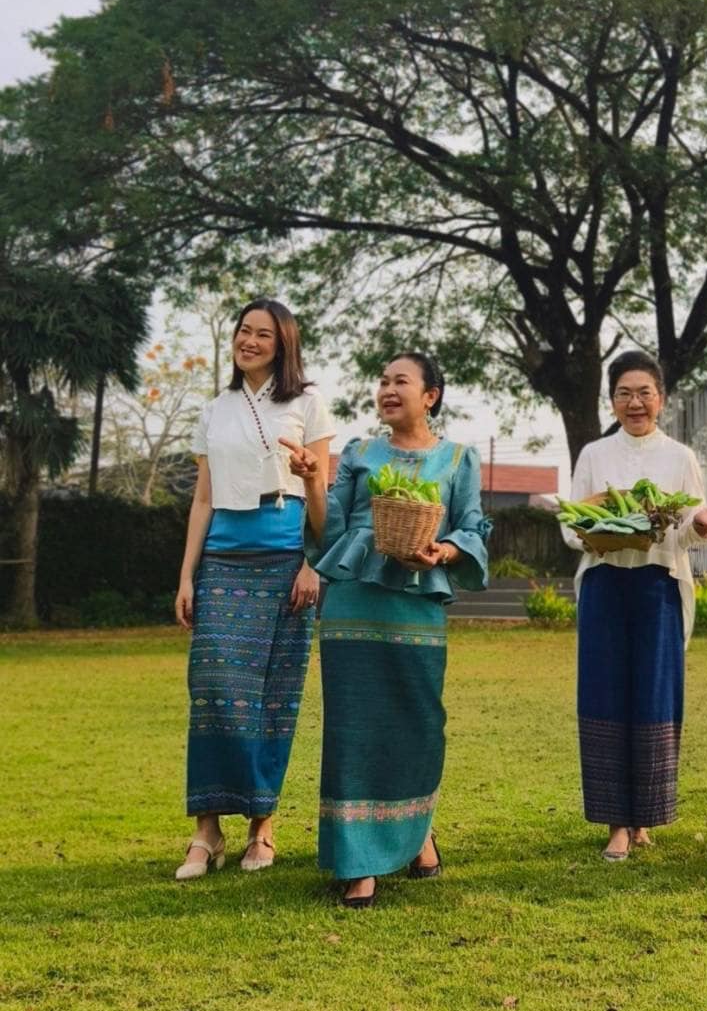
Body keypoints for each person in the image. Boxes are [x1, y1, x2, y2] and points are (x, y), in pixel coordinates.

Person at [284, 352, 490, 909]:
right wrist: (312, 483)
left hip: (418, 608)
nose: (387, 389)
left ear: (431, 396)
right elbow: (328, 533)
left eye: (401, 381)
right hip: (353, 607)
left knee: (419, 723)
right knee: (354, 729)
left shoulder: (458, 459)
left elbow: (471, 528)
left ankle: (416, 831)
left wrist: (444, 548)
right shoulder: (359, 452)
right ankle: (360, 864)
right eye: (382, 381)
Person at [173, 299, 334, 880]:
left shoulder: (308, 403)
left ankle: (262, 830)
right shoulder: (215, 409)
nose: (250, 340)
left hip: (287, 559)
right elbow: (203, 499)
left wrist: (315, 563)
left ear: (283, 343)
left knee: (274, 696)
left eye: (264, 334)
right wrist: (187, 574)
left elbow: (323, 496)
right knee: (212, 690)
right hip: (222, 561)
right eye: (244, 331)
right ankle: (206, 831)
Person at [565, 350, 707, 861]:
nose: (634, 402)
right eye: (623, 393)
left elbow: (686, 533)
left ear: (661, 399)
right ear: (611, 400)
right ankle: (617, 821)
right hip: (604, 585)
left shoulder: (680, 457)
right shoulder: (594, 454)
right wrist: (595, 532)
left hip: (659, 586)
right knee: (605, 697)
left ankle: (646, 817)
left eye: (644, 393)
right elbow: (571, 527)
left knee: (655, 698)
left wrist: (700, 522)